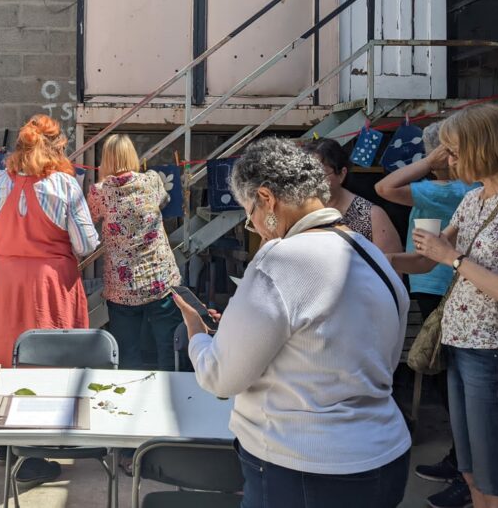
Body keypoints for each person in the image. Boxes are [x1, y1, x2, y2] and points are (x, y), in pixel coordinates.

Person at [174, 137, 411, 508]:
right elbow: (379, 356)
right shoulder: (372, 254)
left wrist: (197, 336)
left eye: (249, 212)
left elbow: (222, 378)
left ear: (267, 199)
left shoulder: (279, 261)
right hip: (384, 457)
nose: (254, 225)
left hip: (302, 469)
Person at [393, 104, 498, 508]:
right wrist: (363, 252)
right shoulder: (473, 200)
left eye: (454, 150)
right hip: (458, 347)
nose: (448, 160)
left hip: (493, 353)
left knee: (497, 483)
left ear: (483, 147)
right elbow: (428, 258)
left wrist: (454, 259)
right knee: (470, 473)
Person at [0, 114, 99, 485]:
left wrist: (13, 252)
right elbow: (87, 243)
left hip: (6, 282)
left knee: (5, 356)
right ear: (57, 146)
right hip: (50, 284)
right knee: (49, 359)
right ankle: (37, 449)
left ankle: (5, 443)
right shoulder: (65, 185)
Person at [376, 121, 479, 507]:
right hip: (433, 279)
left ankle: (467, 471)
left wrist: (430, 161)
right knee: (449, 382)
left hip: (437, 285)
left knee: (451, 383)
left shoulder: (446, 188)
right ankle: (460, 461)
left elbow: (385, 187)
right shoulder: (462, 190)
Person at [87, 135, 181, 371]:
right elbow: (164, 200)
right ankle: (171, 394)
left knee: (127, 352)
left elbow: (89, 218)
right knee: (169, 347)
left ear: (105, 160)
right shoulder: (152, 181)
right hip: (160, 280)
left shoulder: (99, 192)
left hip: (122, 287)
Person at [302, 137, 402, 254]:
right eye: (306, 175)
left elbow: (390, 268)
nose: (312, 181)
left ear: (341, 174)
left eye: (320, 174)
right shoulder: (295, 210)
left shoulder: (370, 216)